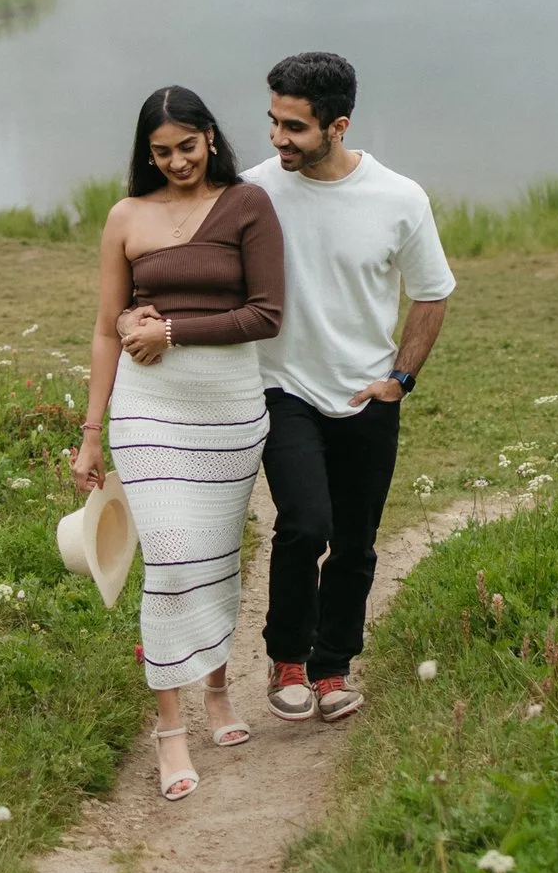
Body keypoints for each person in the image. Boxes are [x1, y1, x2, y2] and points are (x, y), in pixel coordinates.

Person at [72, 85, 283, 802]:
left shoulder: (248, 204)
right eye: (161, 151)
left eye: (187, 147)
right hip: (148, 405)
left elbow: (266, 313)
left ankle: (219, 688)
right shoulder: (125, 216)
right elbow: (107, 327)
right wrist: (91, 431)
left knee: (215, 554)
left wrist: (174, 330)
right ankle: (170, 729)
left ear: (210, 138)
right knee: (167, 552)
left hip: (227, 406)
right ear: (147, 152)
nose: (177, 161)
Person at [246, 51, 454, 723]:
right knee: (306, 524)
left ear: (337, 126)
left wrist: (401, 377)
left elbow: (432, 293)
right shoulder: (252, 192)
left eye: (295, 127)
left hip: (368, 396)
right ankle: (286, 659)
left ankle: (332, 668)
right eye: (273, 121)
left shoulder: (399, 198)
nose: (279, 138)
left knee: (357, 542)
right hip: (284, 389)